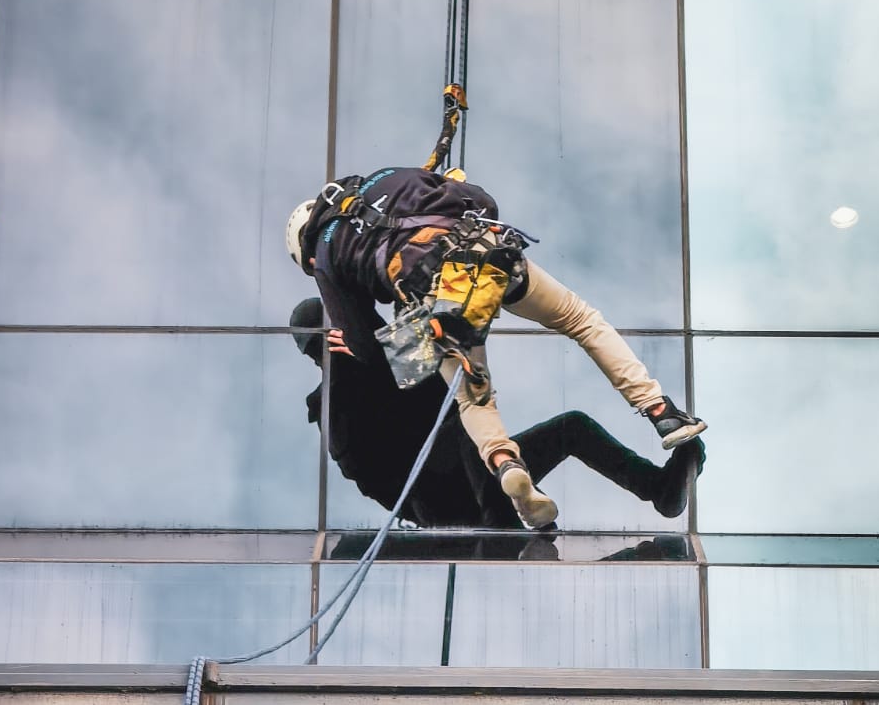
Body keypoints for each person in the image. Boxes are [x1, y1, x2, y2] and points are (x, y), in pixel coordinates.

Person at [286, 166, 706, 529]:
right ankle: (658, 412)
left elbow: (374, 350)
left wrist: (388, 339)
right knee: (578, 322)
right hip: (445, 493)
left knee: (522, 416)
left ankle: (653, 488)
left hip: (466, 464)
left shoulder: (331, 264)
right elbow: (480, 201)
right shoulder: (387, 180)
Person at [291, 297, 704, 531]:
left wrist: (416, 324)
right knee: (462, 424)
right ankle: (502, 517)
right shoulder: (334, 402)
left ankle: (659, 488)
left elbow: (450, 377)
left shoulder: (385, 356)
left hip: (472, 472)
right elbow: (369, 474)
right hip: (437, 496)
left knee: (571, 428)